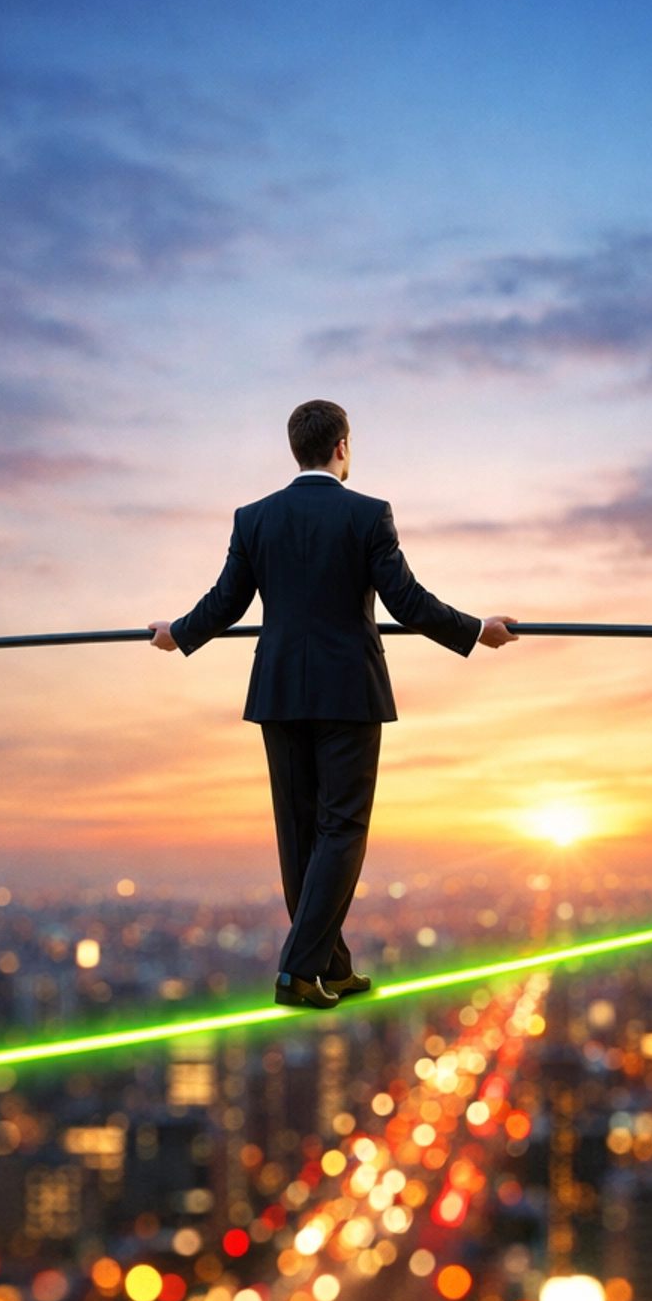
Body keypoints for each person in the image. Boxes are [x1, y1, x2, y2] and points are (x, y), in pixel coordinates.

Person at [151, 400, 518, 1008]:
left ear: (296, 449)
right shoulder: (368, 514)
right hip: (349, 693)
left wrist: (177, 634)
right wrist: (479, 630)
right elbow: (406, 601)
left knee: (300, 836)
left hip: (278, 692)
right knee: (341, 828)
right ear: (342, 447)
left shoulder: (254, 518)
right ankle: (298, 972)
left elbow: (226, 602)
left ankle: (330, 967)